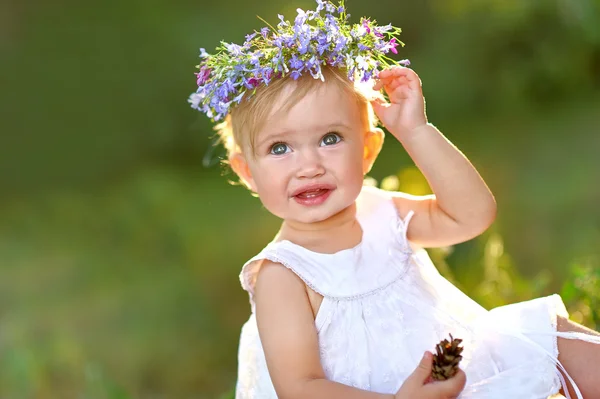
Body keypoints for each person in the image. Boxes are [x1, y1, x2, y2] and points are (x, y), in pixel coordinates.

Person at [189, 1, 600, 398]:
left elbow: (473, 215)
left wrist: (416, 131)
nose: (308, 165)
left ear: (367, 152)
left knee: (554, 341)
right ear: (247, 173)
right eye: (280, 148)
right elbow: (301, 388)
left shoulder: (382, 211)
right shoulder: (283, 275)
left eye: (330, 139)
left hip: (452, 373)